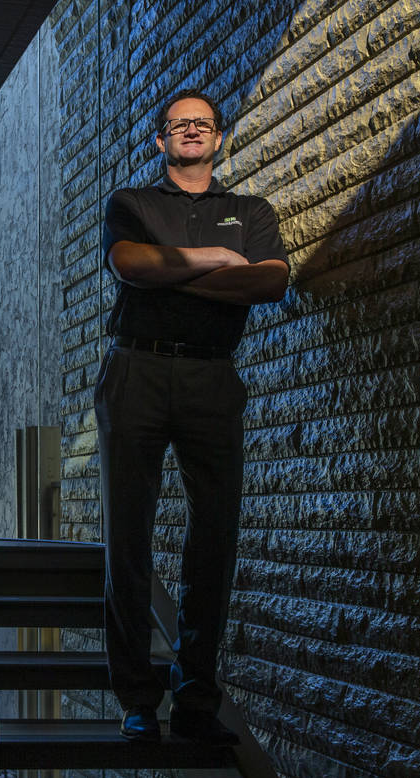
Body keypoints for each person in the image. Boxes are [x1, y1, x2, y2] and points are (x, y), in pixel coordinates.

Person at [96, 89, 289, 744]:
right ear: (161, 140)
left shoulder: (249, 211)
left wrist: (168, 273)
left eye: (202, 124)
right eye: (179, 125)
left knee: (215, 535)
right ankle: (137, 700)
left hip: (212, 374)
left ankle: (197, 701)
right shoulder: (133, 205)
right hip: (137, 371)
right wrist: (215, 262)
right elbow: (128, 263)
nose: (191, 132)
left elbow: (269, 282)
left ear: (218, 138)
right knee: (128, 532)